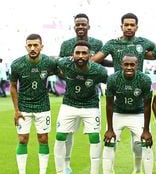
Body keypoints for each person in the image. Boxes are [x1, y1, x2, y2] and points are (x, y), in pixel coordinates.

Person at [58, 13, 105, 174]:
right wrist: (69, 75)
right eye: (77, 24)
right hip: (71, 96)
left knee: (94, 136)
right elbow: (60, 67)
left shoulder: (97, 43)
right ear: (74, 26)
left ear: (88, 26)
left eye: (83, 24)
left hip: (91, 94)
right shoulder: (66, 45)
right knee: (66, 134)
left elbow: (103, 61)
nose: (80, 27)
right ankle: (65, 167)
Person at [10, 34, 57, 174]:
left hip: (43, 107)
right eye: (29, 45)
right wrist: (16, 110)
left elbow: (62, 71)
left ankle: (42, 172)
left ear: (41, 46)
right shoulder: (17, 64)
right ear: (26, 47)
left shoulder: (49, 62)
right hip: (24, 108)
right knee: (23, 139)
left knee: (43, 139)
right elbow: (12, 86)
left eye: (36, 45)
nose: (32, 48)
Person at [102, 54, 153, 174]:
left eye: (132, 65)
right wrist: (109, 128)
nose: (129, 67)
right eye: (126, 64)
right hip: (118, 113)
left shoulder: (145, 79)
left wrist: (146, 130)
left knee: (145, 143)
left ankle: (138, 169)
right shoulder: (113, 79)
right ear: (121, 65)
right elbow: (109, 105)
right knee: (109, 142)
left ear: (137, 65)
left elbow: (147, 106)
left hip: (138, 113)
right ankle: (107, 171)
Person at [91, 12, 156, 72]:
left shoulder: (143, 42)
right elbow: (93, 61)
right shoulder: (112, 44)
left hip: (138, 83)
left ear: (136, 27)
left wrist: (141, 55)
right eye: (126, 25)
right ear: (122, 27)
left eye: (132, 25)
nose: (129, 27)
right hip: (118, 83)